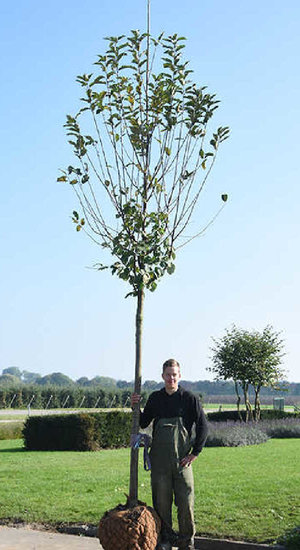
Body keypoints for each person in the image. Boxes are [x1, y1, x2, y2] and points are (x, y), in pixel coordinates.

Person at [131, 358, 208, 550]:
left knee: (186, 504)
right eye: (168, 375)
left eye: (174, 375)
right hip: (159, 463)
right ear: (162, 376)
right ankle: (164, 541)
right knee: (161, 505)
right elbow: (142, 422)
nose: (171, 378)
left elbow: (203, 426)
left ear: (179, 376)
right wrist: (135, 406)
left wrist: (195, 453)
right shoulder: (156, 398)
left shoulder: (189, 399)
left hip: (183, 463)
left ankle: (186, 543)